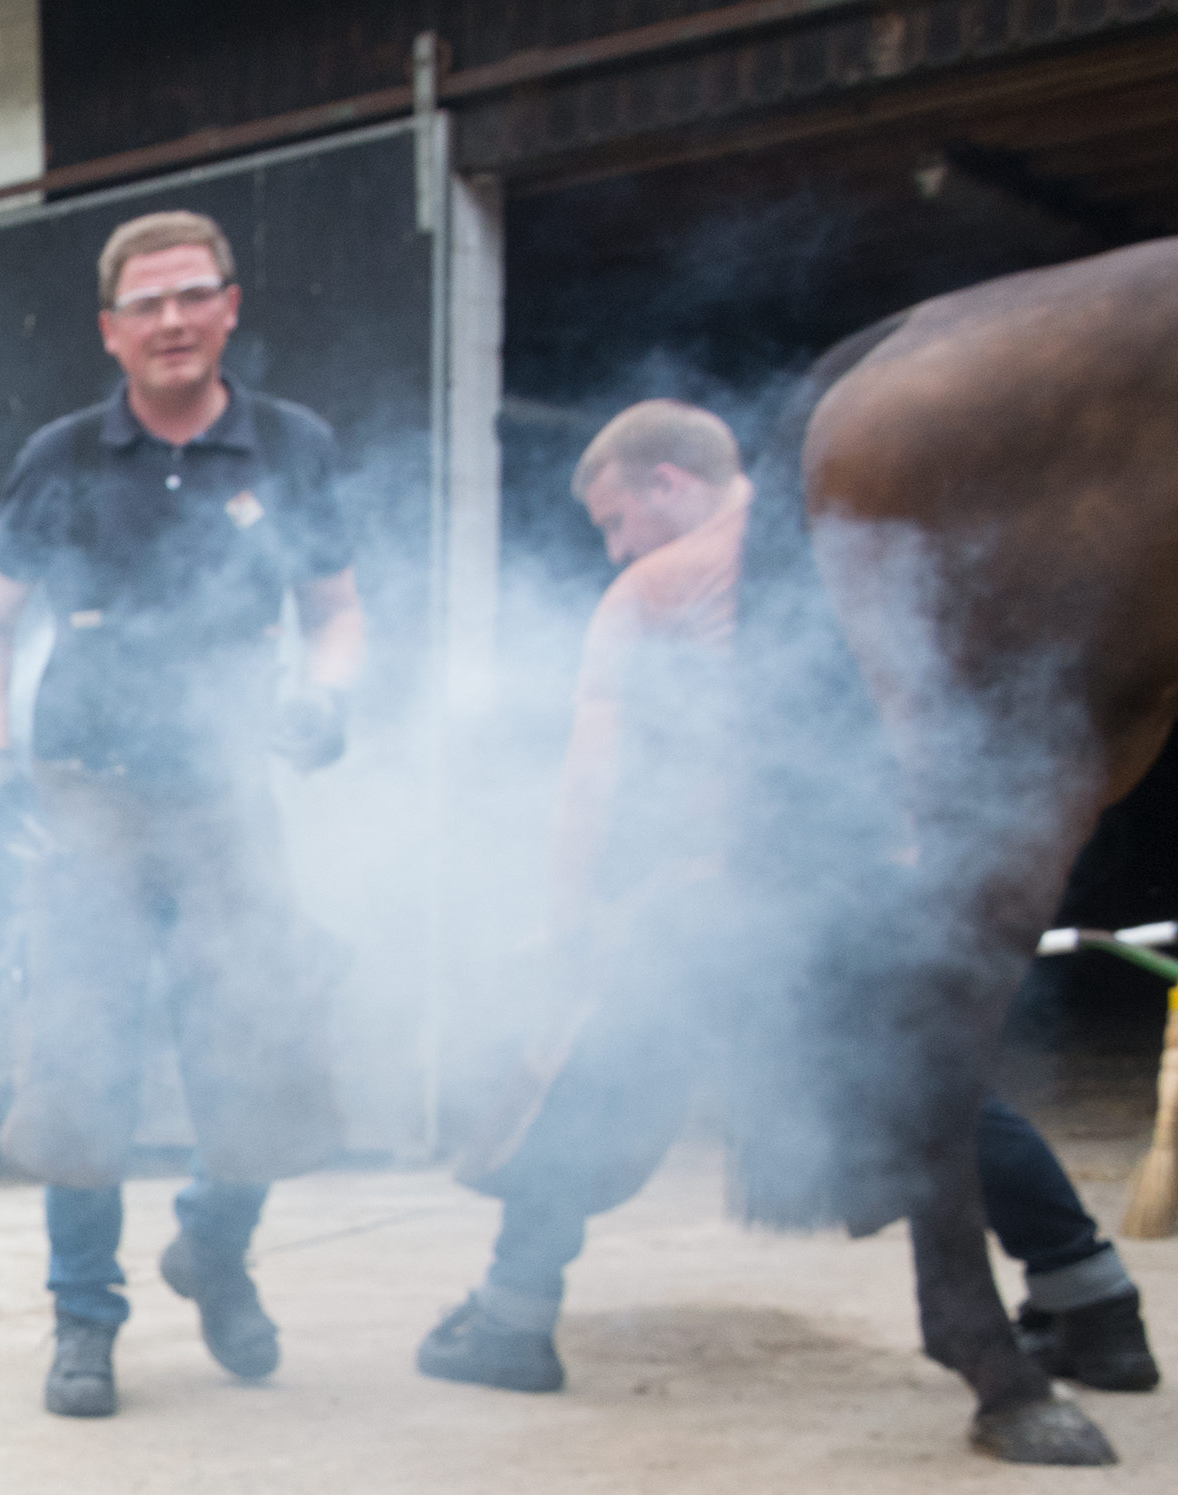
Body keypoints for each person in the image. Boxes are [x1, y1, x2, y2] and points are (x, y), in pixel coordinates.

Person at [416, 399, 1155, 1393]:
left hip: (725, 901)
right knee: (934, 1089)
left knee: (583, 1077)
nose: (613, 547)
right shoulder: (858, 558)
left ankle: (510, 1317)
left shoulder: (656, 588)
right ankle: (1093, 1302)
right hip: (878, 880)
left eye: (615, 520)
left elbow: (591, 775)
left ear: (668, 484)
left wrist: (568, 923)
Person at [0, 209, 366, 1419]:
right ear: (111, 330)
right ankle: (86, 1318)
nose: (174, 320)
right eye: (148, 303)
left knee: (264, 1044)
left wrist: (326, 696)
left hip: (232, 789)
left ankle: (215, 1245)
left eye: (195, 295)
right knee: (80, 1059)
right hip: (84, 794)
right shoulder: (63, 456)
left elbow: (338, 610)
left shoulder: (292, 447)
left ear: (231, 306)